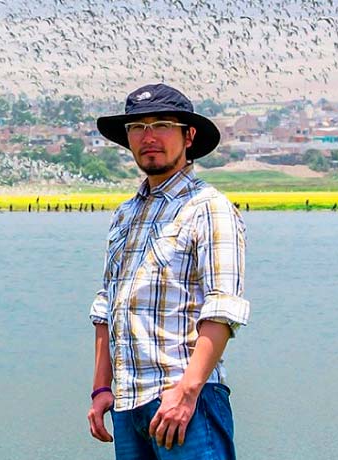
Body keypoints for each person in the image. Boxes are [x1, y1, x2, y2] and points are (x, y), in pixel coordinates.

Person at [87, 83, 250, 459]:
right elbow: (107, 305)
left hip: (185, 398)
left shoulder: (208, 208)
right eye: (137, 127)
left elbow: (222, 309)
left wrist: (186, 392)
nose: (149, 137)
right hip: (129, 402)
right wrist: (101, 388)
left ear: (188, 136)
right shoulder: (126, 213)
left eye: (161, 124)